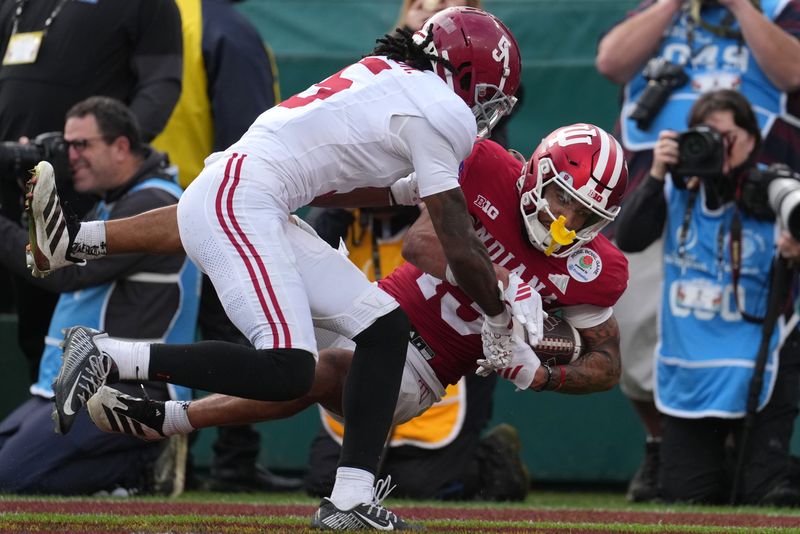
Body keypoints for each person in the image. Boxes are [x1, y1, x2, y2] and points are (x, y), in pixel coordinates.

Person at [28, 7, 531, 530]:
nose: (482, 110)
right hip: (246, 200)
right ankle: (108, 356)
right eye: (486, 94)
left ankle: (350, 501)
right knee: (290, 367)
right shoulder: (441, 109)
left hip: (253, 193)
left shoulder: (391, 77)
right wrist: (499, 315)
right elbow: (456, 239)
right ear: (465, 74)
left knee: (385, 328)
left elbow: (329, 180)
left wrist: (399, 190)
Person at [84, 123, 629, 501]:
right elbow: (421, 246)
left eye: (587, 216)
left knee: (322, 373)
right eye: (564, 200)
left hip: (422, 370)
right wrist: (504, 285)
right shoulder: (487, 167)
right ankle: (86, 240)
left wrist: (541, 375)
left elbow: (607, 362)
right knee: (241, 207)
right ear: (536, 173)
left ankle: (163, 410)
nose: (569, 223)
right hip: (374, 304)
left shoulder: (594, 267)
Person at [595, 0, 800, 502]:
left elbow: (792, 70)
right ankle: (662, 443)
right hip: (660, 191)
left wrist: (740, 7)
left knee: (753, 331)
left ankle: (745, 454)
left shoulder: (781, 8)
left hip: (754, 195)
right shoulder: (658, 9)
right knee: (638, 334)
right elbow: (611, 62)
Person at [0, 96, 200, 495]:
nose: (70, 156)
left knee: (11, 478)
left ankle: (142, 464)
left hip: (127, 388)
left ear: (121, 146)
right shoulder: (118, 201)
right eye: (66, 144)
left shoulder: (154, 203)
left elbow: (59, 273)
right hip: (76, 383)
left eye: (81, 145)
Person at [150, 0, 301, 493]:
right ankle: (233, 460)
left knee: (161, 327)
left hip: (144, 204)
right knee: (239, 338)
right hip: (214, 207)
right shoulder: (225, 28)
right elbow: (250, 139)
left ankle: (157, 450)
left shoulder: (143, 16)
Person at [0, 0, 183, 383]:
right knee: (32, 334)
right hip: (14, 182)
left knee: (65, 309)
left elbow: (161, 84)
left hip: (86, 191)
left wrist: (103, 157)